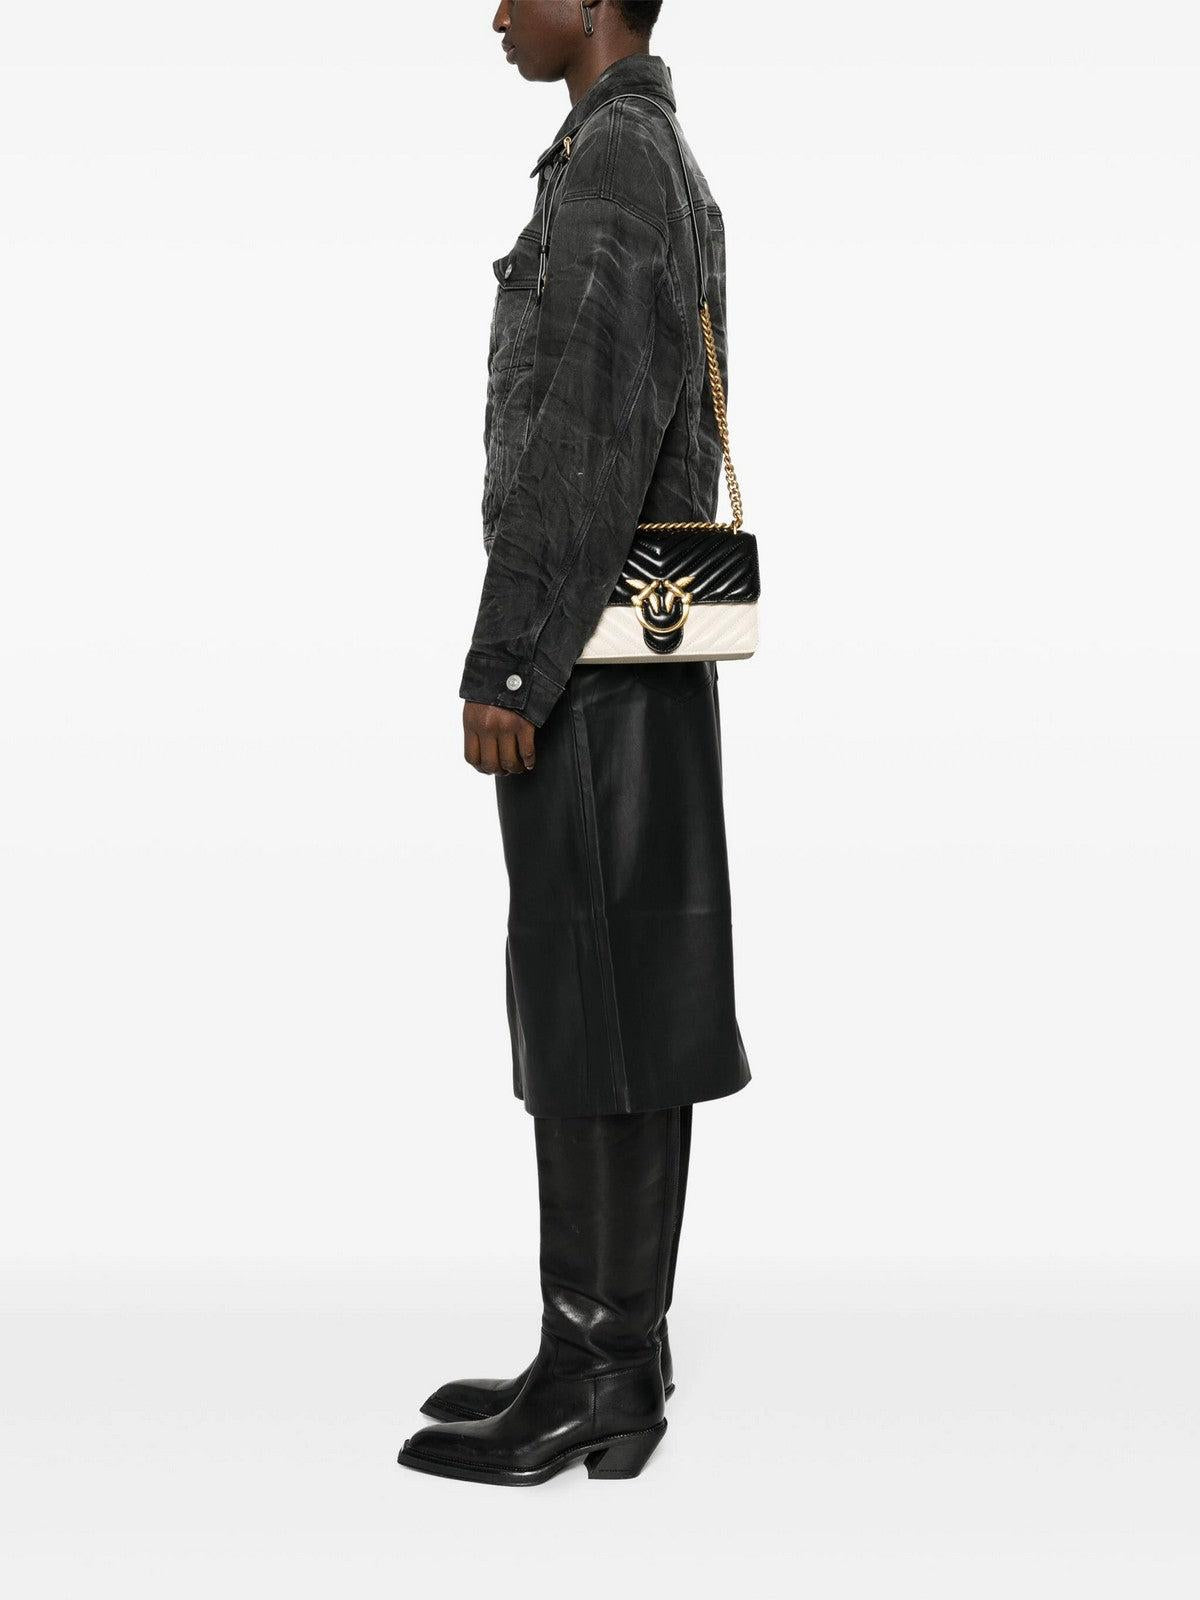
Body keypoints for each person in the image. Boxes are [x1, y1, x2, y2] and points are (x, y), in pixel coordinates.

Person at [398, 0, 751, 1487]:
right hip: (631, 661)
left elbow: (588, 434)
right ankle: (613, 1354)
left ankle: (597, 1363)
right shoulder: (645, 151)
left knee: (593, 1002)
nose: (496, 11)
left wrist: (511, 659)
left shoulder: (614, 160)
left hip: (589, 663)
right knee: (620, 1000)